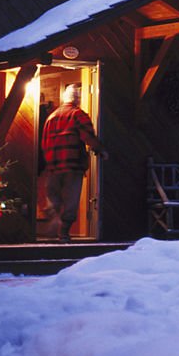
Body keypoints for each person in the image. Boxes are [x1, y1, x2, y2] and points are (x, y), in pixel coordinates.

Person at [41, 83, 108, 242]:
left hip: (53, 166)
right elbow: (88, 137)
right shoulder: (78, 115)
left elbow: (44, 143)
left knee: (53, 196)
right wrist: (101, 150)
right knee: (71, 200)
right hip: (72, 165)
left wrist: (48, 162)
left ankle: (54, 218)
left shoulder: (51, 117)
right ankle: (63, 232)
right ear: (77, 99)